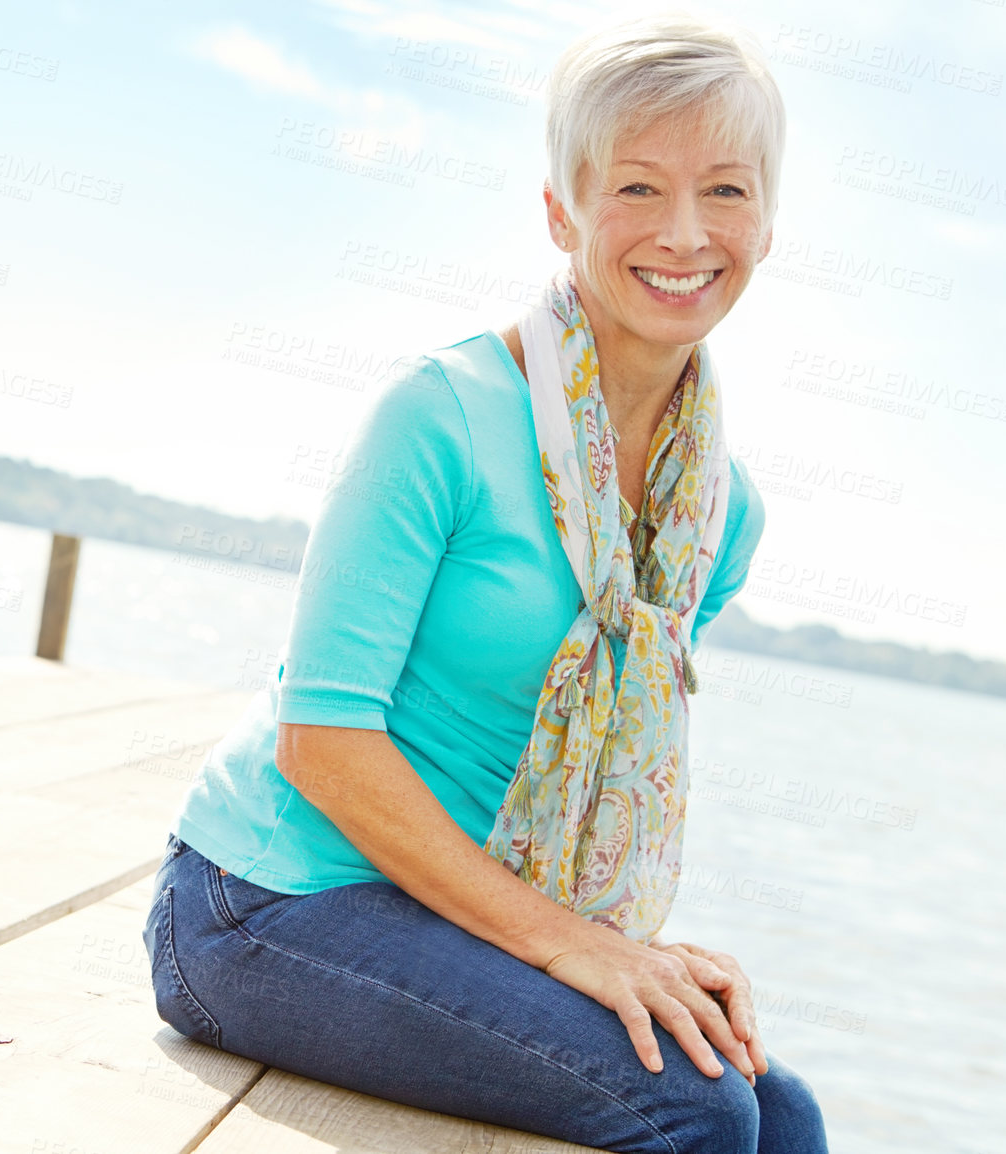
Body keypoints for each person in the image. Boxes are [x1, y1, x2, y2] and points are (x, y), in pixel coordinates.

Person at [143, 14, 828, 1153]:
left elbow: (599, 754)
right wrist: (571, 946)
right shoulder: (440, 414)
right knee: (698, 1112)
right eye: (637, 188)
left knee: (780, 1107)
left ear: (765, 221)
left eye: (723, 190)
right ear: (560, 210)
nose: (683, 233)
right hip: (261, 903)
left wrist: (621, 943)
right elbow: (323, 738)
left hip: (450, 914)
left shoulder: (720, 509)